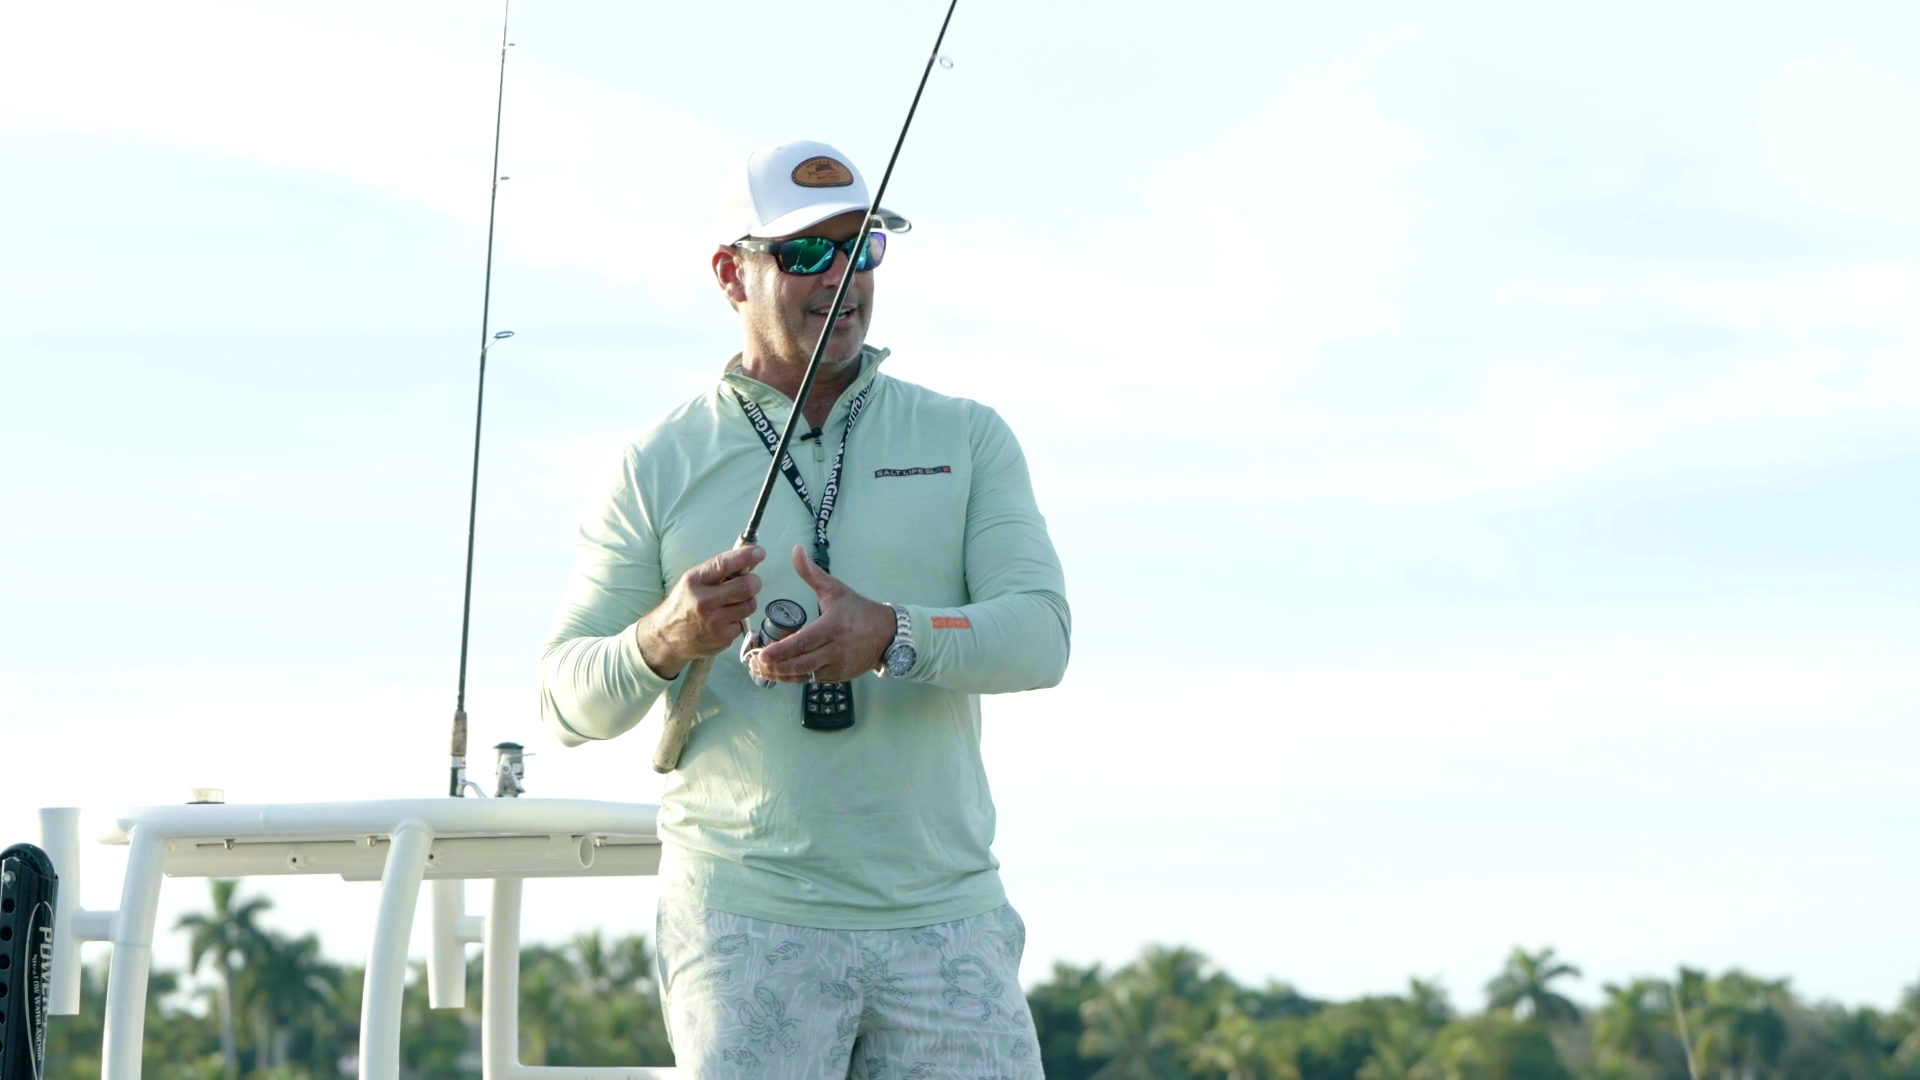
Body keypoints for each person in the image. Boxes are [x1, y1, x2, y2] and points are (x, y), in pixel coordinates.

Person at [539, 138, 1070, 1078]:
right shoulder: (653, 462)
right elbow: (565, 700)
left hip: (947, 922)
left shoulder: (968, 436)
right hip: (742, 923)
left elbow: (1040, 636)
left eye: (861, 247)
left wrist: (891, 635)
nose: (842, 278)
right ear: (729, 274)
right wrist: (666, 636)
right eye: (807, 252)